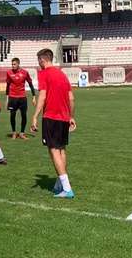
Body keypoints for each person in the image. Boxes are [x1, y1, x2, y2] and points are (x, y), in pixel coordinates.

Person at [31, 48, 76, 199]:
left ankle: (67, 189)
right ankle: (60, 184)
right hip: (64, 117)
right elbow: (71, 97)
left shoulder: (44, 73)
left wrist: (35, 116)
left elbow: (42, 95)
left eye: (39, 61)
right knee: (61, 149)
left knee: (53, 150)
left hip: (51, 116)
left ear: (42, 60)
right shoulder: (62, 74)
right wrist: (71, 116)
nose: (39, 64)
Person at [5, 58, 36, 139]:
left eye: (14, 64)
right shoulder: (9, 73)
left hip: (22, 98)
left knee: (24, 116)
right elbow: (7, 86)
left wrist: (34, 96)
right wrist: (7, 98)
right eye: (12, 64)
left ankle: (22, 133)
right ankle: (14, 132)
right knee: (12, 115)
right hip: (12, 98)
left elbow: (30, 84)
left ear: (18, 64)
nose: (13, 66)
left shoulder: (25, 73)